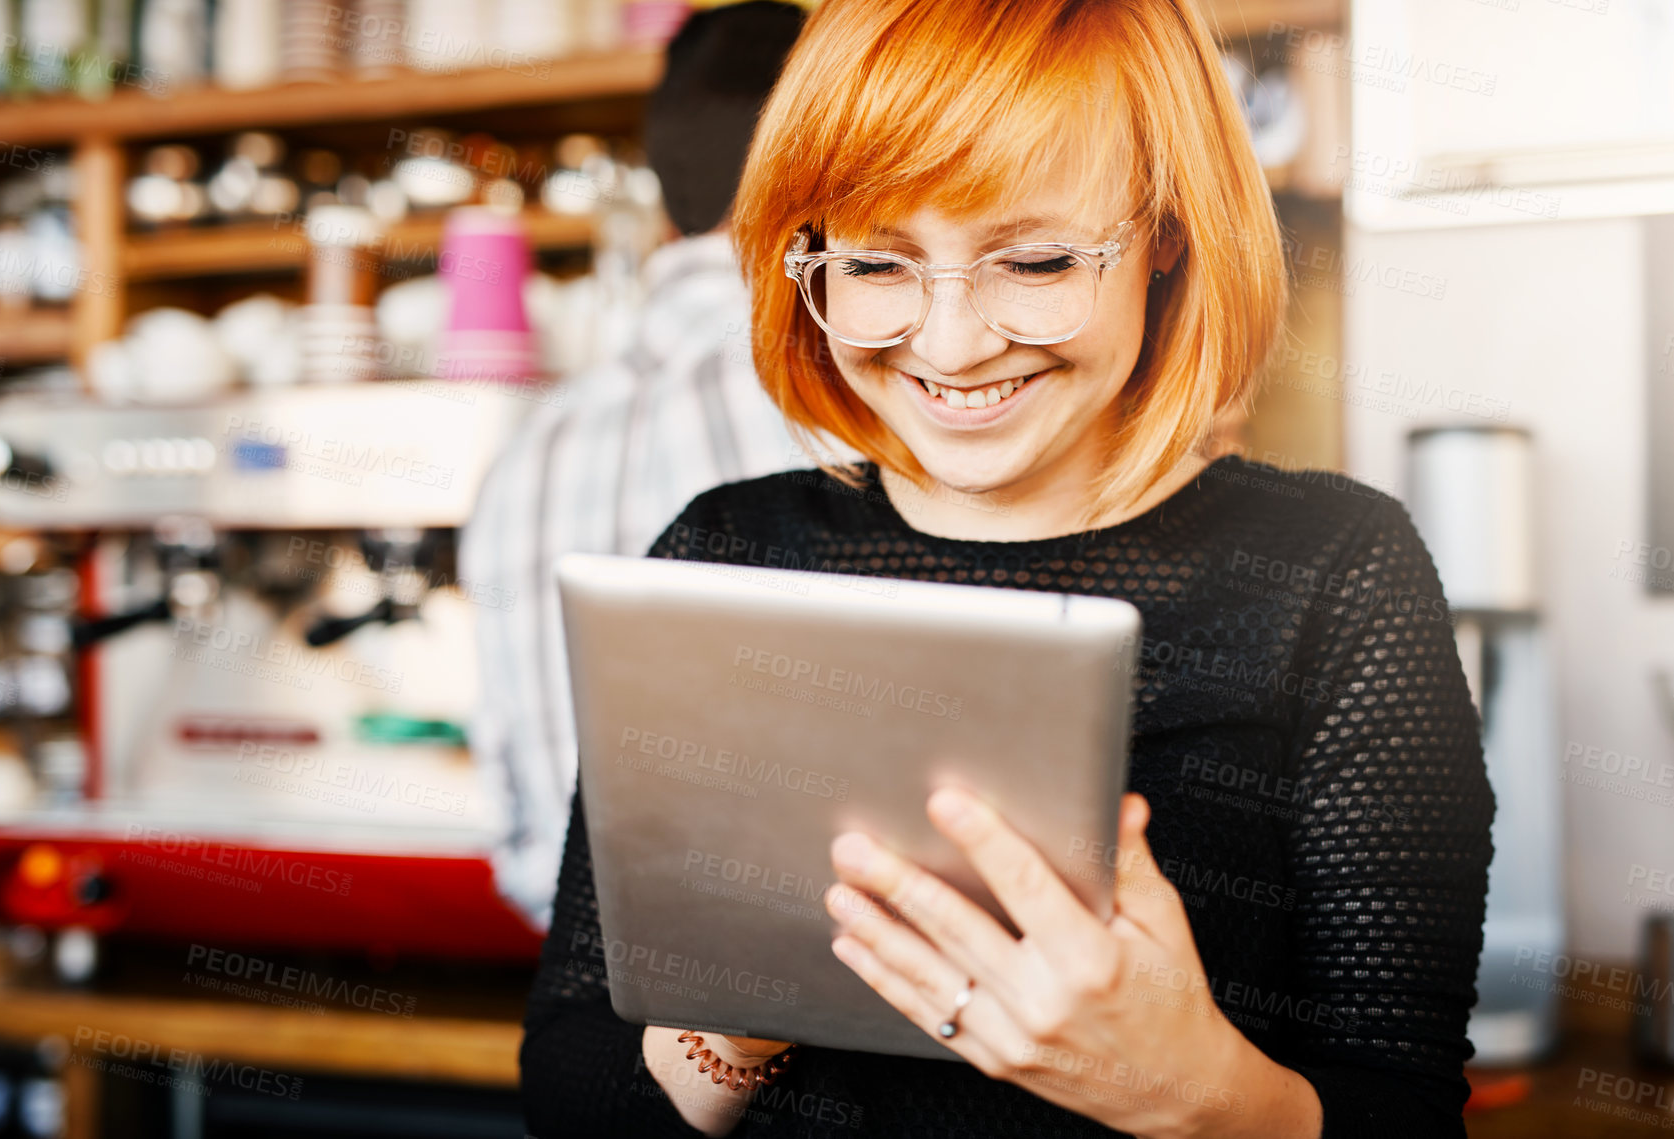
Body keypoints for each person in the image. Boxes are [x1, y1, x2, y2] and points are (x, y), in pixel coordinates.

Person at [521, 0, 1495, 1136]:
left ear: (1170, 234)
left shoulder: (1333, 574)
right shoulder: (726, 549)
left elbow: (1405, 1109)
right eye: (877, 263)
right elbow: (574, 1086)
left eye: (1033, 260)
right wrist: (734, 1019)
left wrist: (1192, 1090)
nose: (951, 344)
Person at [461, 1, 816, 928]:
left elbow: (515, 835)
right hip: (828, 1006)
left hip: (584, 990)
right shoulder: (848, 400)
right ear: (836, 166)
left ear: (664, 206)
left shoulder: (519, 461)